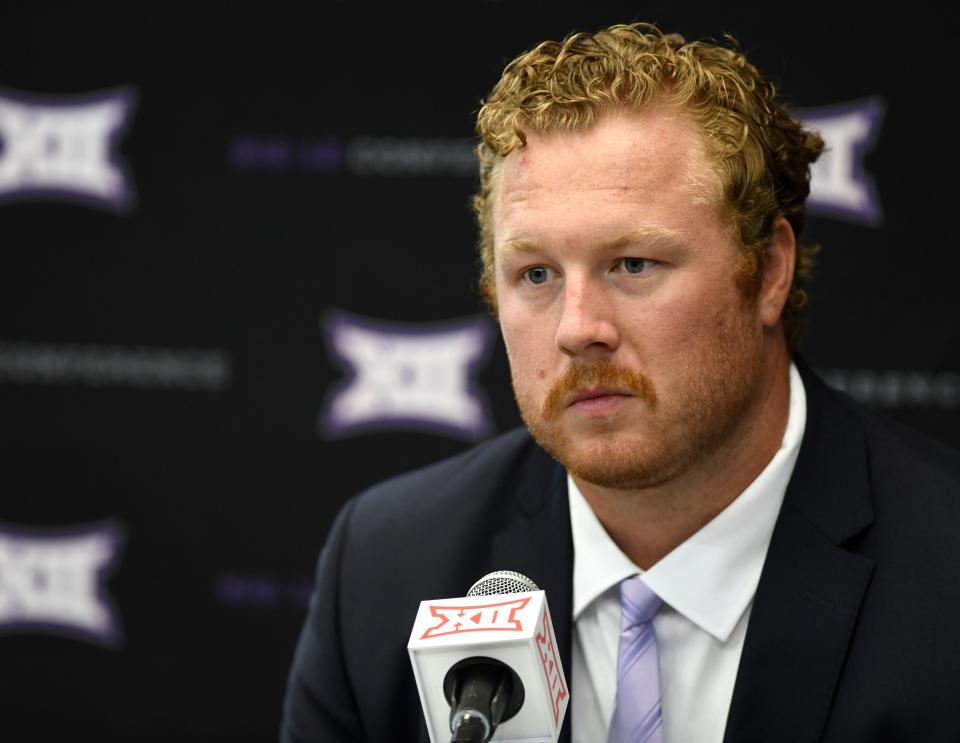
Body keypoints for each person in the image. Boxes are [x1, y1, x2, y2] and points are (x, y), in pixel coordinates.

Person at [280, 23, 960, 743]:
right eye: (535, 274)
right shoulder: (387, 565)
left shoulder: (943, 572)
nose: (577, 327)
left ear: (767, 273)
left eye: (633, 263)